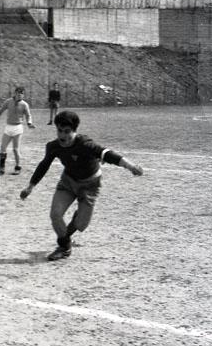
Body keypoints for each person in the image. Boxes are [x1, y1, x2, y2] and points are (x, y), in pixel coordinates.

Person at [20, 110, 143, 261]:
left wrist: (130, 166)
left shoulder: (85, 144)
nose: (62, 135)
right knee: (55, 214)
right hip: (68, 182)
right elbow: (44, 165)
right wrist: (30, 186)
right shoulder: (53, 146)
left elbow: (107, 154)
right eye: (59, 130)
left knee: (81, 225)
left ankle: (77, 219)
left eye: (67, 131)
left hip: (90, 185)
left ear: (75, 131)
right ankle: (64, 247)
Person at [0, 86, 36, 176]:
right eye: (18, 93)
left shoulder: (24, 104)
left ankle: (17, 167)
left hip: (18, 128)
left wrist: (29, 123)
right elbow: (0, 111)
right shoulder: (8, 101)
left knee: (15, 149)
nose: (20, 95)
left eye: (22, 93)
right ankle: (1, 168)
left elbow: (28, 115)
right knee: (2, 148)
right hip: (8, 127)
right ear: (15, 93)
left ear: (23, 95)